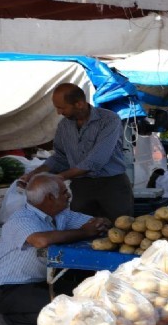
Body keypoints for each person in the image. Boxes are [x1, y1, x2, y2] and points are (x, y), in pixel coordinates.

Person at [0, 173, 109, 325]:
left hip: (37, 283)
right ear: (50, 197)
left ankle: (25, 316)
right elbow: (41, 240)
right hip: (2, 287)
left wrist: (99, 224)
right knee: (68, 312)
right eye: (65, 192)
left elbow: (96, 223)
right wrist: (85, 232)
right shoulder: (21, 218)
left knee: (89, 296)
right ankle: (7, 322)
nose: (69, 195)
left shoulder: (62, 214)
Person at [19, 83, 133, 221]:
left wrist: (57, 178)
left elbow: (95, 161)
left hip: (112, 186)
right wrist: (33, 174)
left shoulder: (109, 120)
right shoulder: (64, 125)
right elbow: (60, 157)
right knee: (82, 230)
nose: (58, 112)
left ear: (79, 104)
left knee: (120, 230)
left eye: (61, 108)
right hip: (81, 187)